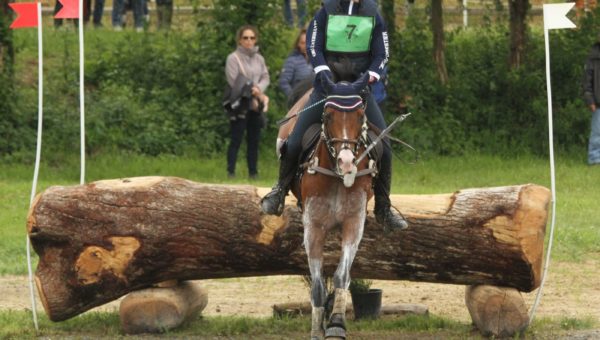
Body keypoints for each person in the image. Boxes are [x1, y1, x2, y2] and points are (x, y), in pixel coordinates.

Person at [261, 0, 409, 231]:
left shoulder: (373, 15)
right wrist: (323, 71)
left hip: (359, 90)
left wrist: (370, 76)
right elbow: (313, 47)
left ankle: (383, 208)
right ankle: (279, 190)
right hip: (326, 88)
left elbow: (382, 54)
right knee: (294, 141)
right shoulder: (325, 12)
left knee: (385, 147)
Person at [225, 25, 270, 179]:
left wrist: (258, 89)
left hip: (255, 105)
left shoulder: (259, 58)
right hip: (240, 104)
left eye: (252, 38)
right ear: (240, 40)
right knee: (236, 139)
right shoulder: (233, 58)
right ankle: (230, 171)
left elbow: (265, 76)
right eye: (245, 38)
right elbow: (233, 80)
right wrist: (252, 90)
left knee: (254, 141)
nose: (249, 41)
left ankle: (253, 172)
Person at [279, 29, 314, 108]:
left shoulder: (317, 61)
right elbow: (283, 82)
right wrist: (293, 97)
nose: (306, 45)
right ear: (298, 44)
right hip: (297, 105)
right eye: (303, 43)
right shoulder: (292, 61)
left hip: (314, 102)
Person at [583, 39, 600, 165]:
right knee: (597, 133)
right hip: (598, 102)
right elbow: (586, 81)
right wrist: (590, 100)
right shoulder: (593, 58)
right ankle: (594, 159)